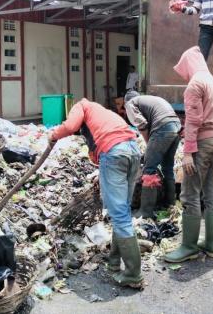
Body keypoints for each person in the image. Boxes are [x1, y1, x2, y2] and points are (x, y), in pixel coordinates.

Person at [49, 98, 143, 287]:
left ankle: (133, 275)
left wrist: (53, 136)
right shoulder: (104, 112)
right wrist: (102, 175)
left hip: (115, 152)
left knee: (119, 215)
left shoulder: (82, 105)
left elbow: (70, 126)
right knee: (123, 211)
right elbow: (108, 142)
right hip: (133, 151)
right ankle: (114, 263)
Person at [164, 46, 213, 263]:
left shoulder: (195, 85)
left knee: (190, 196)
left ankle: (189, 247)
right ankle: (210, 246)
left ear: (189, 65)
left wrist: (188, 152)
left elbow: (193, 121)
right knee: (212, 194)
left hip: (200, 144)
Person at [124, 90, 181, 218]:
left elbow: (142, 125)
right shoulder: (147, 100)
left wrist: (149, 144)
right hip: (176, 126)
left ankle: (146, 211)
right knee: (167, 168)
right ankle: (170, 203)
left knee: (149, 170)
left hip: (163, 127)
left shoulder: (130, 104)